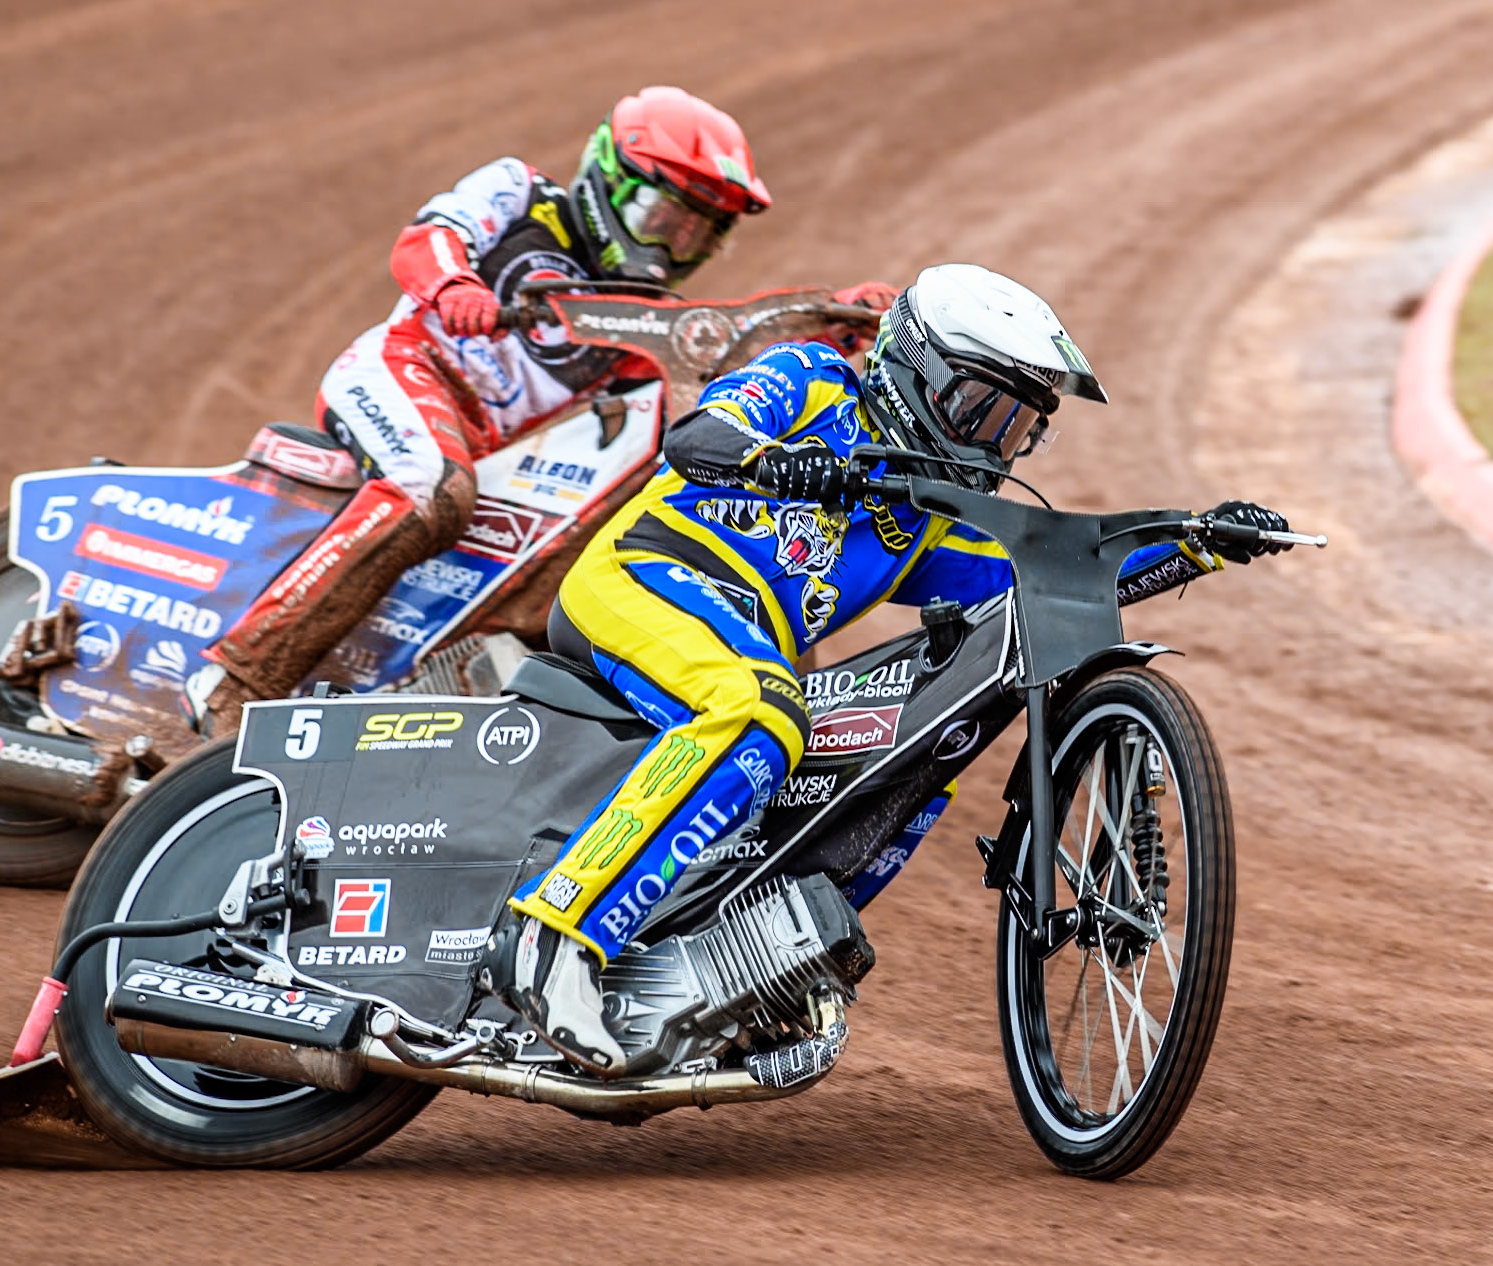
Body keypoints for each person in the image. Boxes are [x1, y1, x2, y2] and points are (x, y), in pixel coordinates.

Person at [496, 263, 1293, 1076]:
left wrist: (1197, 542)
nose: (995, 445)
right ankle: (552, 938)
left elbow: (1049, 578)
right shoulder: (812, 379)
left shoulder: (920, 521)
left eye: (1017, 428)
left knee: (915, 755)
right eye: (984, 411)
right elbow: (697, 435)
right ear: (920, 371)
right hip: (642, 575)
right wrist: (779, 462)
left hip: (732, 640)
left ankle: (740, 971)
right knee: (760, 712)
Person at [190, 86, 895, 732]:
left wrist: (829, 320)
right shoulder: (519, 193)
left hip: (487, 445)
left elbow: (723, 343)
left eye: (697, 233)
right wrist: (454, 286)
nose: (671, 248)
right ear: (610, 179)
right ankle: (236, 681)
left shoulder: (640, 315)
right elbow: (428, 238)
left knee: (592, 557)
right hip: (404, 370)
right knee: (432, 488)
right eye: (662, 218)